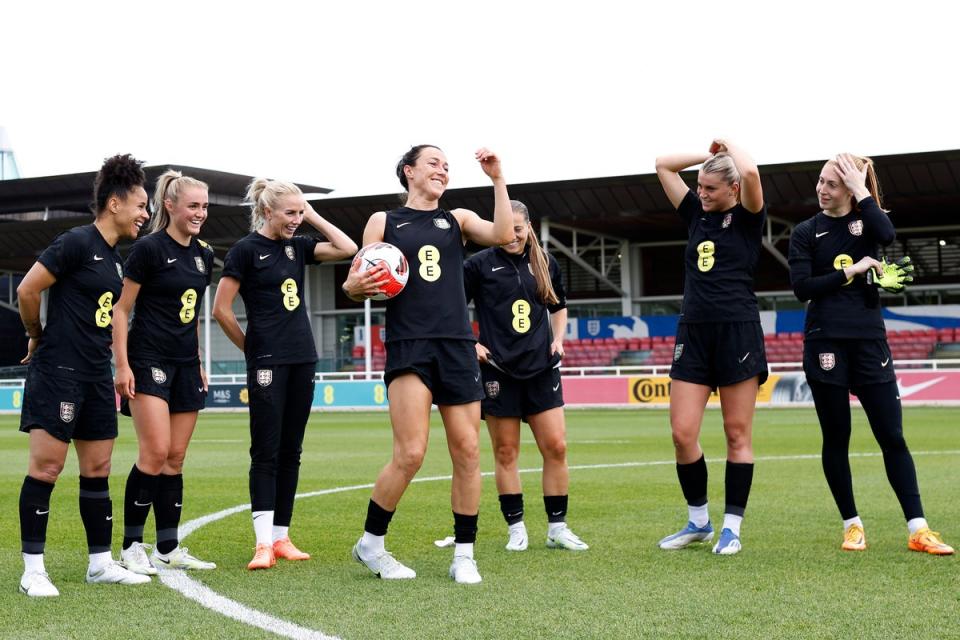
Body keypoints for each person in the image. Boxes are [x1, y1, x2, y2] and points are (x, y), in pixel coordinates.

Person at [342, 145, 513, 584]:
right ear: (409, 171)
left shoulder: (456, 219)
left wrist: (496, 179)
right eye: (433, 163)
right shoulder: (384, 221)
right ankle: (371, 544)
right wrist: (352, 285)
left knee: (469, 452)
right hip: (410, 344)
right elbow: (361, 280)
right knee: (411, 453)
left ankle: (464, 554)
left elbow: (501, 234)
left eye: (447, 166)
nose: (443, 169)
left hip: (457, 345)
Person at [788, 153, 953, 555]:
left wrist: (863, 190)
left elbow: (888, 233)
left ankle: (918, 530)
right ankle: (852, 526)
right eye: (821, 181)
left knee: (892, 435)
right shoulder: (805, 231)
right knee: (836, 437)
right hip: (825, 343)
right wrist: (852, 270)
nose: (821, 189)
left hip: (869, 342)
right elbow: (802, 288)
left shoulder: (867, 223)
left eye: (831, 183)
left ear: (848, 188)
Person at [16, 154, 152, 596]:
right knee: (48, 468)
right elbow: (28, 289)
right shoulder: (75, 241)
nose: (145, 214)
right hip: (59, 371)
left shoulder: (114, 260)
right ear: (114, 204)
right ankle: (33, 570)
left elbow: (112, 315)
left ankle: (99, 563)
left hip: (96, 375)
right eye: (140, 205)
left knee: (98, 468)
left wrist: (118, 366)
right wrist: (34, 334)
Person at [213, 178, 357, 570]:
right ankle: (261, 544)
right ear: (266, 212)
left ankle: (281, 538)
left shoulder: (298, 246)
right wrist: (251, 349)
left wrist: (312, 213)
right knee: (266, 451)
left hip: (302, 358)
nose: (297, 220)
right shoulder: (245, 251)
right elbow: (220, 310)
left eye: (300, 212)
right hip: (267, 362)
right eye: (290, 213)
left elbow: (349, 248)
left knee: (291, 451)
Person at [653, 139, 768, 555]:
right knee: (683, 433)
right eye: (699, 186)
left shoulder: (748, 217)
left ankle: (731, 528)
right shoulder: (695, 214)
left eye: (710, 188)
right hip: (694, 333)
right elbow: (663, 166)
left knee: (736, 433)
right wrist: (708, 155)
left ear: (732, 191)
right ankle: (698, 521)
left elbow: (752, 173)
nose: (700, 193)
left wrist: (730, 144)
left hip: (737, 331)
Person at [463, 200, 588, 552]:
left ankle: (557, 528)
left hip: (541, 368)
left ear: (528, 226)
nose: (512, 235)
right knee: (506, 452)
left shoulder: (545, 262)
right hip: (498, 371)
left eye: (519, 228)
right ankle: (516, 527)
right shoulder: (478, 265)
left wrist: (559, 338)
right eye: (507, 228)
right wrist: (471, 343)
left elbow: (559, 305)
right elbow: (454, 308)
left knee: (557, 447)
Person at [111, 170, 217, 575]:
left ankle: (168, 547)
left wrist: (199, 360)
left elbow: (188, 315)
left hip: (185, 364)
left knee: (175, 457)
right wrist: (122, 365)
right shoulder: (148, 249)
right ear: (169, 206)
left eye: (204, 206)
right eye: (193, 205)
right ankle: (131, 545)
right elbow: (121, 310)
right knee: (154, 453)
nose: (200, 213)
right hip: (148, 359)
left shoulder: (204, 254)